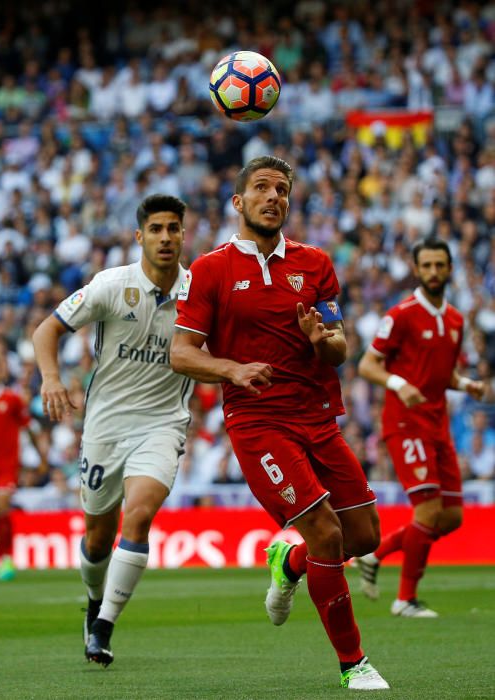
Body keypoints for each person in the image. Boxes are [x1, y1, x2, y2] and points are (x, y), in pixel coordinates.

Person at [170, 156, 389, 691]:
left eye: (283, 190)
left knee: (362, 536)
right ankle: (353, 663)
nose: (274, 197)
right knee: (325, 530)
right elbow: (181, 352)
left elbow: (339, 347)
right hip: (259, 421)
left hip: (318, 417)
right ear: (239, 202)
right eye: (262, 188)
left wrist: (324, 341)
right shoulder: (210, 269)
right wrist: (231, 369)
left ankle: (288, 559)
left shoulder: (314, 264)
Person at [32, 194, 194, 666]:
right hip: (105, 427)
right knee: (98, 537)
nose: (166, 237)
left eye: (174, 229)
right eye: (157, 229)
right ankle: (92, 601)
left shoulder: (198, 292)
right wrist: (51, 378)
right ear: (139, 236)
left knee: (139, 514)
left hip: (163, 423)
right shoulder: (110, 285)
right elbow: (46, 331)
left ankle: (103, 626)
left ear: (184, 234)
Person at [357, 236, 486, 617]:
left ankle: (377, 554)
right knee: (428, 512)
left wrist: (466, 384)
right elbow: (368, 365)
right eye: (426, 265)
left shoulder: (456, 319)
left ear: (449, 268)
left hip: (437, 424)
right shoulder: (400, 315)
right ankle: (405, 599)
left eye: (439, 265)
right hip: (405, 422)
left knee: (452, 517)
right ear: (416, 269)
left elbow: (443, 374)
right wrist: (399, 384)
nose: (432, 272)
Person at [0, 355, 36, 581]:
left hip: (6, 466)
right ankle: (1, 558)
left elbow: (29, 427)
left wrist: (40, 457)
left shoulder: (12, 399)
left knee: (0, 508)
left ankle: (6, 559)